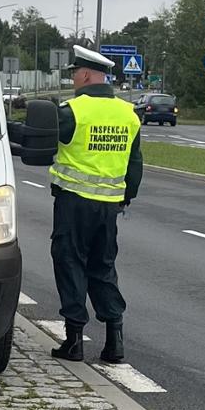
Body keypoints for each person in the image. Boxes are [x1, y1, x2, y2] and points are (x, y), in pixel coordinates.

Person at [48, 45, 143, 364]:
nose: (74, 78)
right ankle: (115, 341)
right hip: (109, 207)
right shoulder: (128, 114)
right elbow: (135, 163)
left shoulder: (73, 111)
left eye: (75, 73)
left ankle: (74, 340)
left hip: (74, 204)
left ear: (86, 75)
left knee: (70, 262)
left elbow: (41, 140)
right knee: (103, 268)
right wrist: (125, 198)